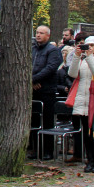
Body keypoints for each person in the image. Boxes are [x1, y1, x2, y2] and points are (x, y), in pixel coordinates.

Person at [69, 36, 94, 173]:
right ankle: (90, 159)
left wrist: (90, 57)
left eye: (93, 45)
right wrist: (76, 56)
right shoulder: (83, 60)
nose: (90, 47)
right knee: (86, 132)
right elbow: (72, 73)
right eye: (88, 45)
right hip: (83, 100)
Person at [32, 26, 61, 160]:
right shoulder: (32, 49)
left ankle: (48, 150)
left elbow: (50, 68)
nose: (38, 35)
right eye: (37, 33)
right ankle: (35, 149)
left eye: (41, 33)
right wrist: (30, 81)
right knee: (34, 120)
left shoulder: (53, 50)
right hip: (33, 89)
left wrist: (34, 79)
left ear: (48, 36)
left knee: (47, 121)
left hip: (47, 90)